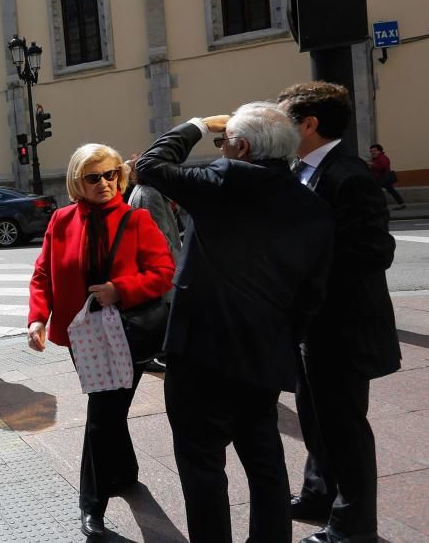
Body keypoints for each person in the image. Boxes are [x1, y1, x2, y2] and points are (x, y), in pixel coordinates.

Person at [136, 102, 334, 543]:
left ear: (241, 145)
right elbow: (312, 295)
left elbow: (150, 165)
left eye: (223, 142)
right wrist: (282, 336)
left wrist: (196, 124)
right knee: (265, 460)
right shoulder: (312, 204)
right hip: (265, 354)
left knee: (201, 465)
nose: (221, 148)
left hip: (199, 353)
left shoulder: (223, 179)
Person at [28, 143, 175, 539]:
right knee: (108, 407)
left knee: (101, 417)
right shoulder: (61, 220)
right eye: (94, 177)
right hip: (84, 335)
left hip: (129, 334)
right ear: (78, 181)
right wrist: (38, 317)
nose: (105, 183)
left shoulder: (138, 220)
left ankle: (91, 506)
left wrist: (120, 289)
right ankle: (125, 474)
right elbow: (43, 273)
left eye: (112, 174)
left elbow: (163, 273)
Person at [279, 83, 401, 543]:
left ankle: (353, 526)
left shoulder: (350, 175)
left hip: (342, 328)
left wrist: (307, 270)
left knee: (345, 427)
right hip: (310, 325)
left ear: (309, 124)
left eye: (285, 119)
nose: (279, 128)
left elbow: (374, 251)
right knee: (314, 416)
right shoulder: (301, 171)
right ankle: (318, 494)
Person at [125, 155, 182, 373]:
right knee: (160, 313)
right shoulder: (150, 194)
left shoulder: (147, 191)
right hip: (161, 268)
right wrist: (177, 268)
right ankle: (156, 354)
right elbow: (161, 237)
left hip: (155, 266)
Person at [368, 143, 405, 209]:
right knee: (391, 190)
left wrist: (372, 164)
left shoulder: (382, 157)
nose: (373, 152)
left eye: (375, 151)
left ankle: (381, 206)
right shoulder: (375, 159)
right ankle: (401, 203)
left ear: (380, 151)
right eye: (371, 151)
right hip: (380, 178)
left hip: (382, 178)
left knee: (376, 191)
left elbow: (383, 166)